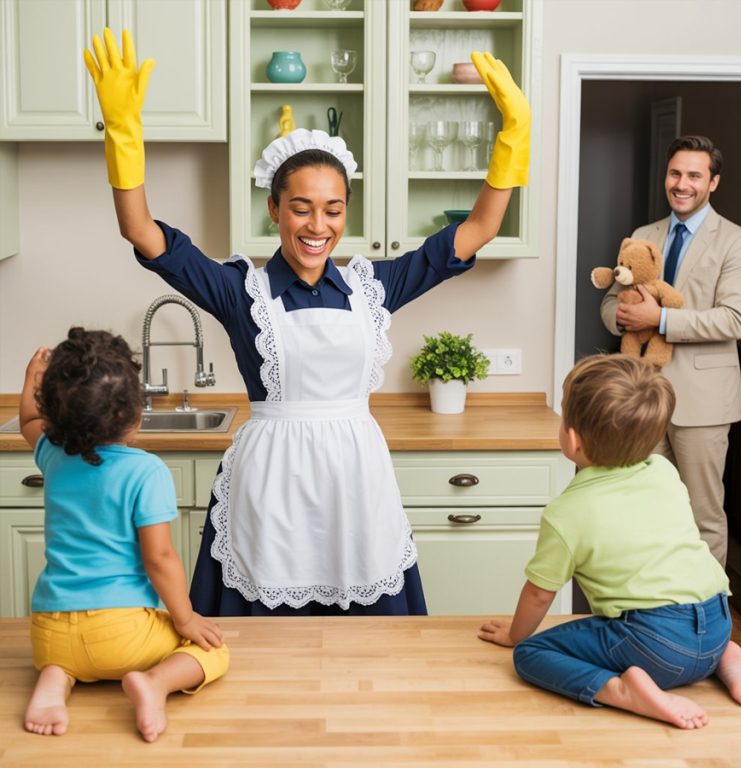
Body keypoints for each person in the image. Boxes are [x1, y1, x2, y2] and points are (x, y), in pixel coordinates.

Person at [83, 30, 531, 616]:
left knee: (371, 641)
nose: (318, 226)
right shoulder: (240, 290)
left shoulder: (373, 288)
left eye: (333, 209)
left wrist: (512, 138)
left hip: (356, 483)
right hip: (270, 486)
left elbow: (476, 232)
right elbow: (142, 231)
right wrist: (123, 135)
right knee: (258, 639)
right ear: (274, 208)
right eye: (301, 208)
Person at [478, 354, 741, 729]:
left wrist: (513, 635)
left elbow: (539, 594)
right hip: (717, 621)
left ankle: (619, 690)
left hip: (657, 643)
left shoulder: (567, 513)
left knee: (531, 653)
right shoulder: (663, 470)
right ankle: (725, 656)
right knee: (683, 641)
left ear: (571, 438)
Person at [19, 329, 229, 742]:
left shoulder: (53, 455)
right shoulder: (146, 471)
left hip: (48, 634)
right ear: (135, 414)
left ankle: (56, 678)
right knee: (212, 651)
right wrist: (185, 618)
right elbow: (159, 559)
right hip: (122, 637)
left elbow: (28, 420)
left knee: (66, 659)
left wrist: (32, 378)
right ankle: (154, 683)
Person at [600, 135, 741, 567]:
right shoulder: (643, 235)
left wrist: (660, 319)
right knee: (645, 509)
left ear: (713, 182)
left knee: (702, 516)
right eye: (675, 173)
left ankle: (707, 608)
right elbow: (611, 302)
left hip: (702, 403)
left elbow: (734, 320)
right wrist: (623, 317)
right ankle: (654, 602)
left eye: (694, 175)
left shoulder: (739, 242)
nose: (682, 184)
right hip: (641, 396)